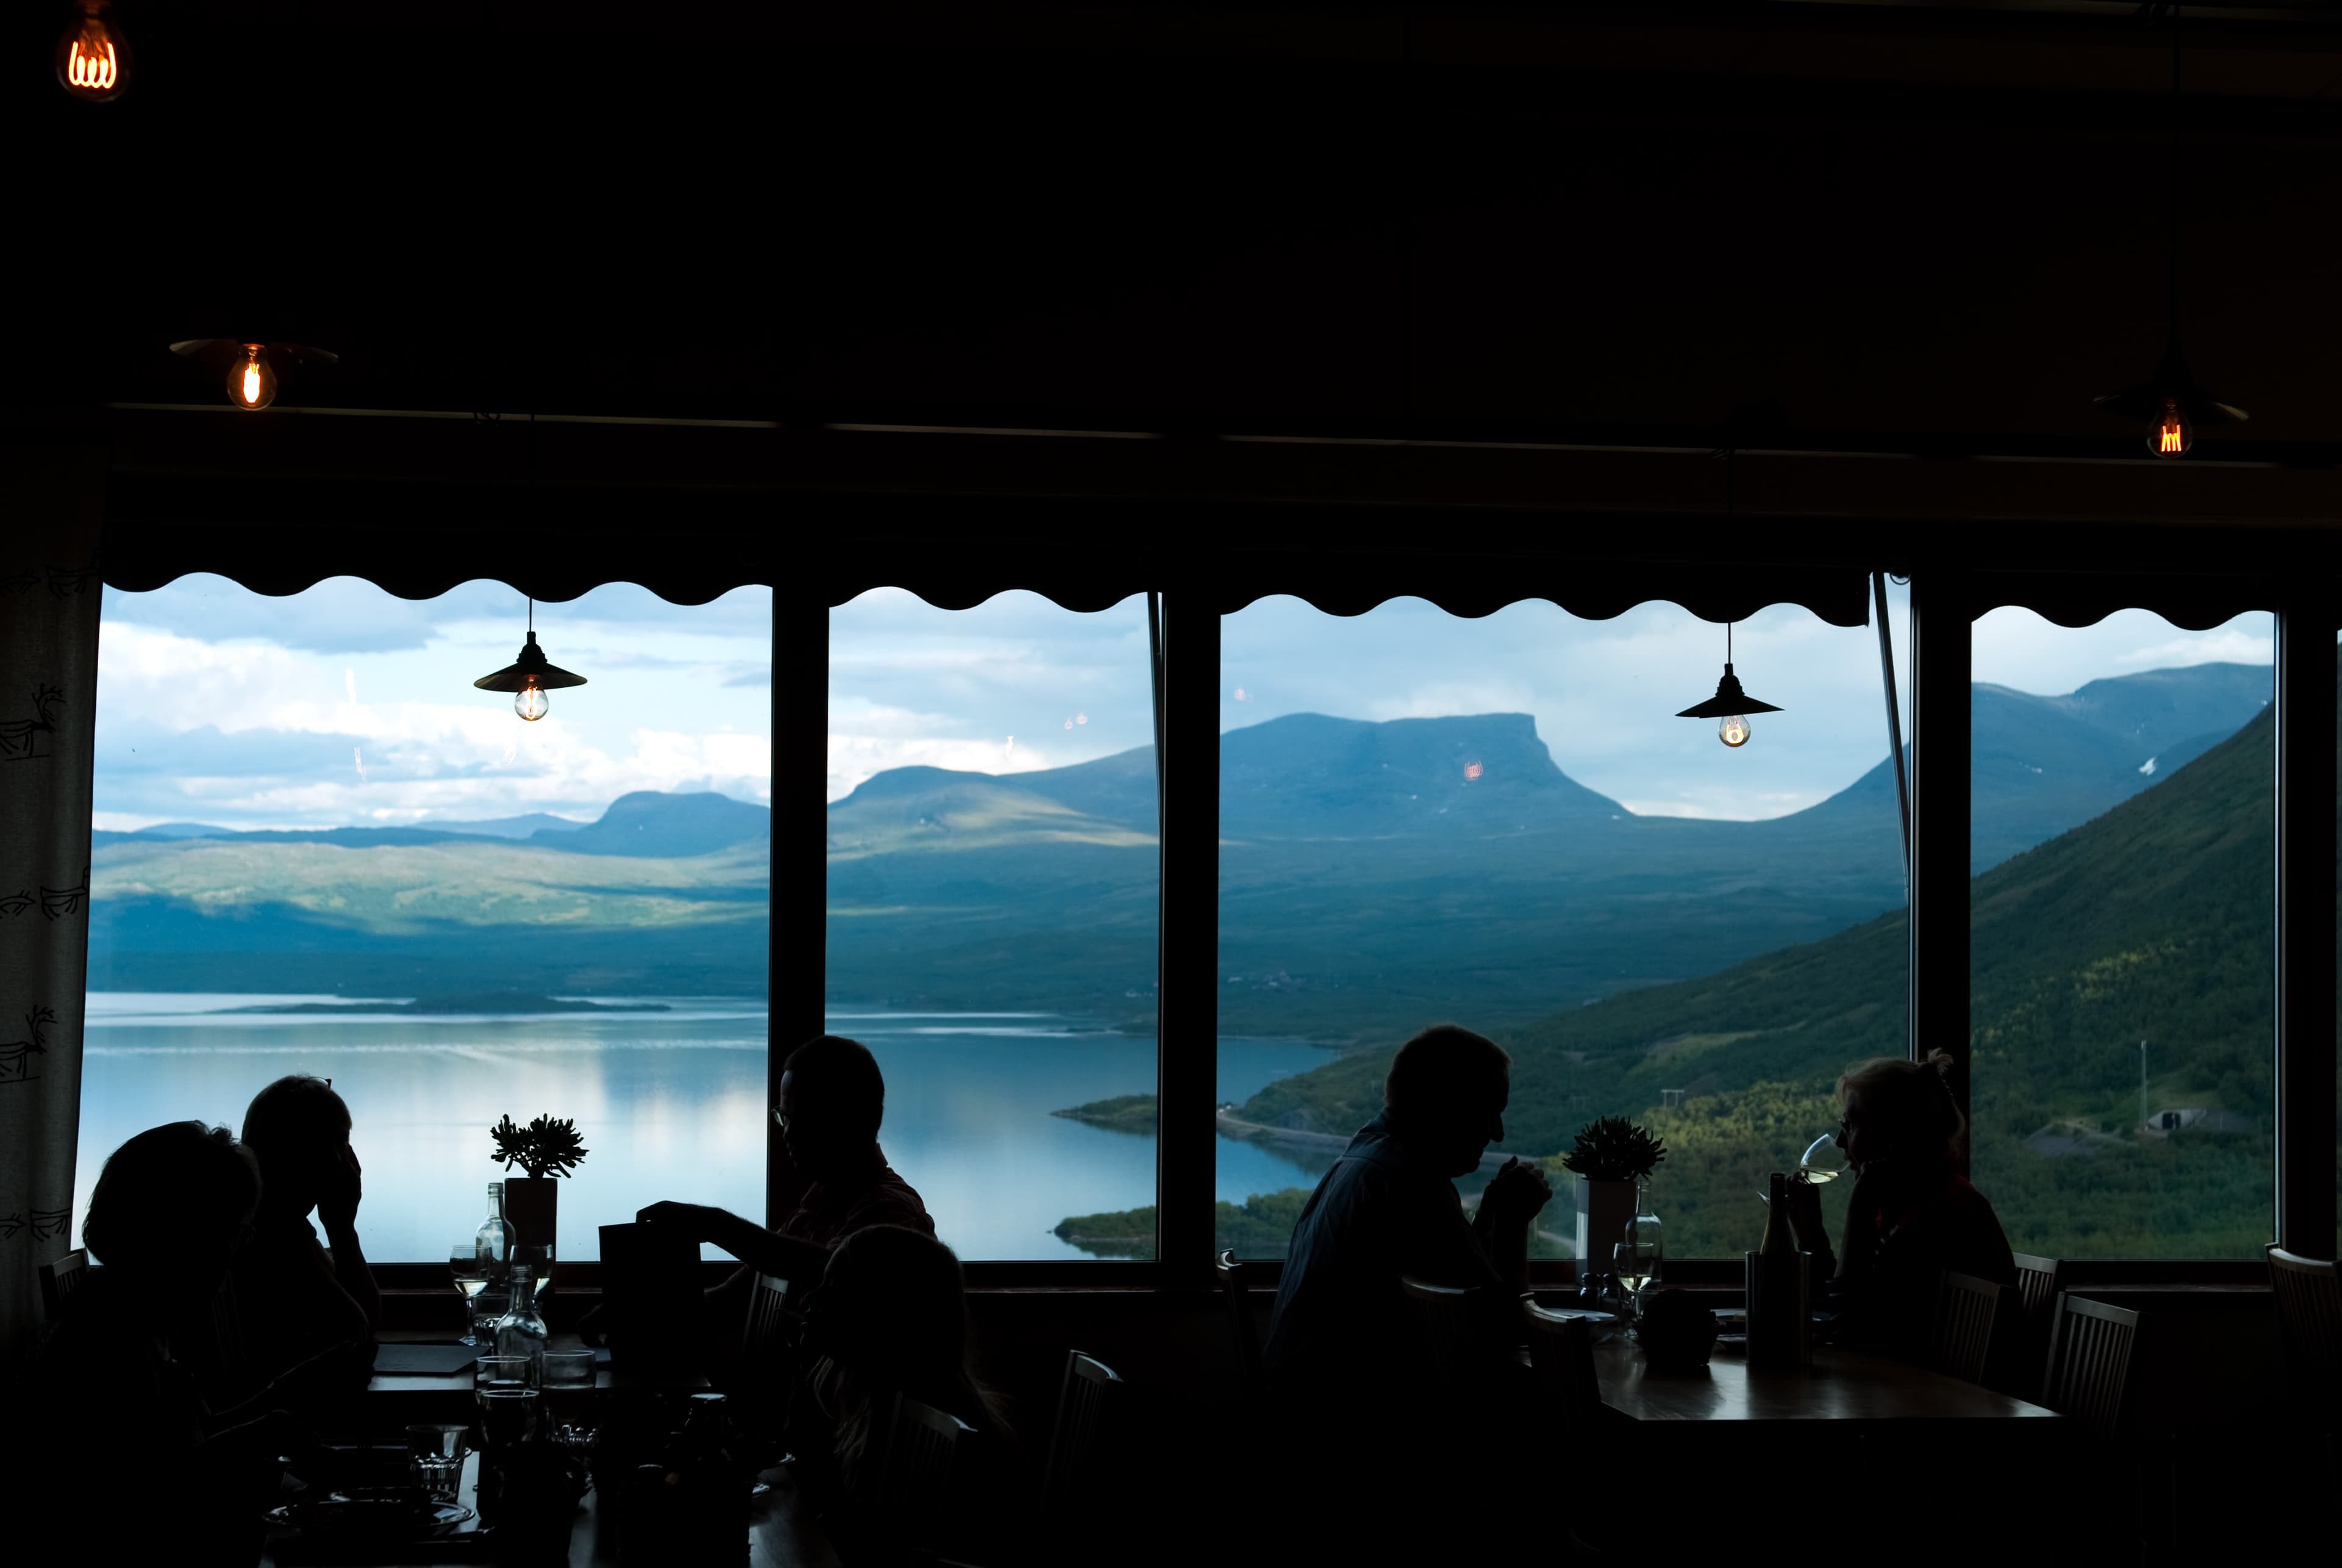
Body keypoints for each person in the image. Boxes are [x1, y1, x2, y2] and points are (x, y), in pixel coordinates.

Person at [8, 1123, 365, 1568]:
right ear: (187, 1232)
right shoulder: (109, 1348)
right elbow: (158, 1495)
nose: (238, 1249)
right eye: (237, 1230)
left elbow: (181, 1443)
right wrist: (267, 1429)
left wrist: (275, 1400)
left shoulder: (123, 1311)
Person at [1262, 1023, 1552, 1407]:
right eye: (1488, 1112)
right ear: (1445, 1105)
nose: (1498, 1133)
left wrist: (1490, 1215)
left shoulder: (1366, 1157)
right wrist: (1514, 1224)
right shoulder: (1409, 1182)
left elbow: (1458, 1281)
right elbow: (1506, 1329)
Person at [630, 1034, 934, 1363]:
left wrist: (715, 1224)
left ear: (851, 1118)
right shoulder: (814, 1210)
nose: (787, 1132)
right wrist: (634, 1314)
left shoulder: (890, 1210)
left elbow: (832, 1270)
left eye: (805, 1118)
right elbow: (728, 1299)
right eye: (785, 1117)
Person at [789, 1225, 1019, 1562]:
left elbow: (856, 1537)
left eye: (833, 1288)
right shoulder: (881, 1400)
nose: (810, 1298)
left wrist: (803, 1371)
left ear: (879, 1311)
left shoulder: (914, 1432)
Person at [1780, 1049, 2018, 1365]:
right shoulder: (1910, 1203)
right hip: (1913, 1396)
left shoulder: (1941, 1217)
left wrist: (1859, 1206)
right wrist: (1813, 1238)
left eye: (1850, 1125)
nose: (1839, 1141)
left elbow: (1851, 1329)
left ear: (1894, 1137)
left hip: (1942, 1407)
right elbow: (1843, 1306)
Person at [230, 1075, 379, 1400]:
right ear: (302, 1149)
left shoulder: (290, 1223)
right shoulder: (269, 1233)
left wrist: (340, 1228)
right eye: (340, 1142)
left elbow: (363, 1321)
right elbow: (354, 1332)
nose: (347, 1159)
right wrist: (342, 1229)